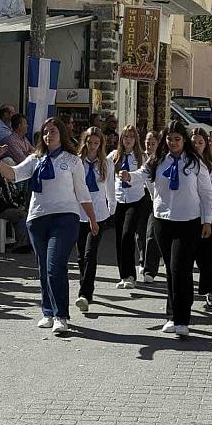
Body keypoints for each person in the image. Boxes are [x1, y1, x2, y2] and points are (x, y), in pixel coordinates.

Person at [0, 117, 97, 335]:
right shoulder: (35, 159)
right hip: (38, 218)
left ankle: (61, 315)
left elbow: (82, 192)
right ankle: (47, 311)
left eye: (53, 131)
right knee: (43, 267)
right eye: (45, 132)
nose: (49, 135)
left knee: (54, 264)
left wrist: (92, 219)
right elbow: (15, 175)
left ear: (62, 135)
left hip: (65, 218)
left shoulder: (72, 160)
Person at [120, 121, 212, 338]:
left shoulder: (194, 162)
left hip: (189, 221)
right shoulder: (158, 160)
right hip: (163, 219)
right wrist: (128, 176)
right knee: (171, 272)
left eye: (177, 139)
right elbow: (141, 174)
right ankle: (172, 315)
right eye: (169, 139)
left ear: (184, 140)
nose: (173, 143)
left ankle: (183, 318)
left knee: (180, 268)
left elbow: (207, 193)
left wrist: (207, 220)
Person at [74, 127, 116, 314]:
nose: (92, 146)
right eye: (89, 143)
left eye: (96, 143)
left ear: (101, 144)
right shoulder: (77, 161)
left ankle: (85, 294)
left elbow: (110, 188)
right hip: (78, 212)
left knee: (91, 253)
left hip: (98, 214)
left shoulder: (106, 163)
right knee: (81, 255)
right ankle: (85, 284)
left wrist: (112, 209)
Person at [190, 127, 212, 308]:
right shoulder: (184, 164)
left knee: (207, 258)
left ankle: (211, 288)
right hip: (187, 217)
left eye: (200, 142)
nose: (196, 146)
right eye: (193, 142)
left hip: (208, 218)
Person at [110, 125, 146, 289]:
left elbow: (147, 178)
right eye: (125, 137)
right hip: (119, 200)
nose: (128, 140)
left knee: (127, 235)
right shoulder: (115, 156)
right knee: (119, 239)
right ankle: (123, 275)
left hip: (135, 200)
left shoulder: (140, 157)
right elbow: (105, 174)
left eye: (131, 136)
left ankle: (131, 274)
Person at [141, 130, 162, 282]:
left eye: (153, 143)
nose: (149, 146)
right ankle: (147, 267)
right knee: (143, 233)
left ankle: (154, 262)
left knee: (154, 235)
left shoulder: (162, 160)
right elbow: (139, 173)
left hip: (159, 201)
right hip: (142, 199)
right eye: (147, 143)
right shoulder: (141, 157)